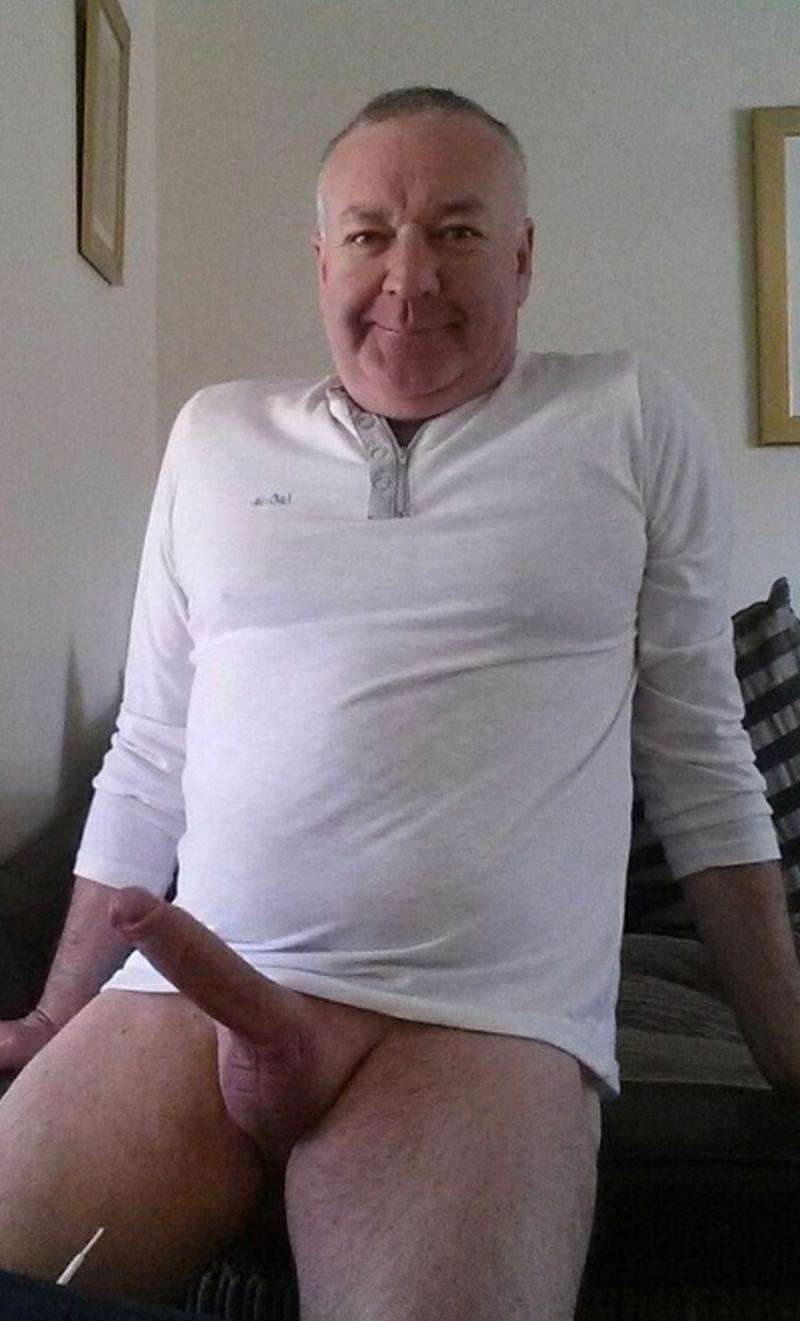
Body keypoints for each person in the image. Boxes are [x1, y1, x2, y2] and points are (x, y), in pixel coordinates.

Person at [0, 85, 796, 1321]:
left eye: (456, 231)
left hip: (477, 1026)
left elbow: (697, 757)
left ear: (522, 256)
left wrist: (788, 1053)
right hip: (189, 995)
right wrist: (58, 1009)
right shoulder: (213, 436)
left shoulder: (630, 418)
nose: (408, 278)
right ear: (321, 259)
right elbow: (151, 749)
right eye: (369, 234)